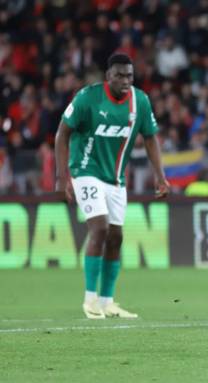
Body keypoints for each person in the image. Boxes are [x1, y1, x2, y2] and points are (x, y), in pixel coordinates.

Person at [54, 53, 169, 319]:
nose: (125, 80)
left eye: (129, 75)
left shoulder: (140, 102)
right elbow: (63, 133)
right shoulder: (88, 98)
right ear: (108, 77)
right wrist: (63, 177)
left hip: (116, 180)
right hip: (86, 172)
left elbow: (150, 138)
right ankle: (90, 300)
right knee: (100, 229)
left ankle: (107, 302)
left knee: (116, 238)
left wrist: (160, 176)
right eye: (119, 75)